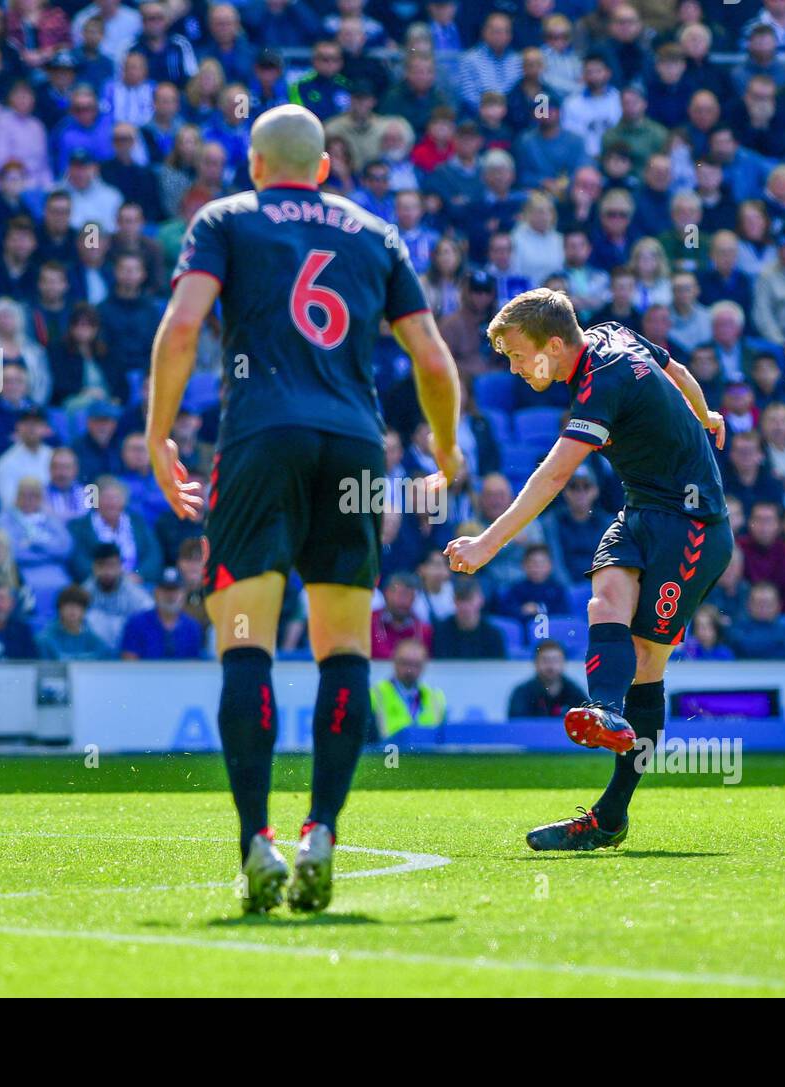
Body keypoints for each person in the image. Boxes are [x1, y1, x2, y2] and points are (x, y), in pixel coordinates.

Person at [146, 104, 462, 914]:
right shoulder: (375, 232)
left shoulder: (224, 218)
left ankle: (258, 843)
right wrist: (447, 451)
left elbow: (183, 327)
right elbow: (432, 356)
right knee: (345, 650)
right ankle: (322, 830)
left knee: (245, 640)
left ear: (255, 165)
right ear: (324, 167)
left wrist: (157, 438)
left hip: (260, 439)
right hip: (356, 446)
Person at [445, 287, 730, 852]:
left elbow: (553, 478)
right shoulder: (612, 333)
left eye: (519, 356)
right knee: (604, 602)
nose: (514, 367)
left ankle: (611, 815)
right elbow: (678, 373)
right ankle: (603, 707)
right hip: (643, 509)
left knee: (647, 662)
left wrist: (487, 544)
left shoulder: (602, 380)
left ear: (554, 345)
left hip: (693, 525)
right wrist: (706, 414)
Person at [119, 567, 204, 660]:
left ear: (184, 594)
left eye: (175, 590)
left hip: (182, 674)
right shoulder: (136, 623)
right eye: (166, 590)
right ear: (155, 592)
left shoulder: (192, 626)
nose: (171, 595)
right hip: (144, 674)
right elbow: (129, 663)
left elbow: (194, 666)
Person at [369, 636, 446, 739]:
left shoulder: (436, 697)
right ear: (394, 661)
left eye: (417, 664)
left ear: (424, 665)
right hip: (388, 753)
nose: (410, 669)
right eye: (405, 663)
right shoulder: (375, 694)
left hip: (427, 754)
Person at [506, 639, 586, 718]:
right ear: (536, 663)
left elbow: (588, 719)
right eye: (545, 660)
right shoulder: (522, 693)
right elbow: (517, 725)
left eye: (555, 660)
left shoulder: (574, 692)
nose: (550, 666)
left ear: (563, 663)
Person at [431, 578, 506, 659]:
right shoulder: (441, 632)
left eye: (469, 600)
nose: (464, 606)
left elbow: (498, 668)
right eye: (460, 600)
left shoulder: (493, 635)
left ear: (481, 600)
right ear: (454, 601)